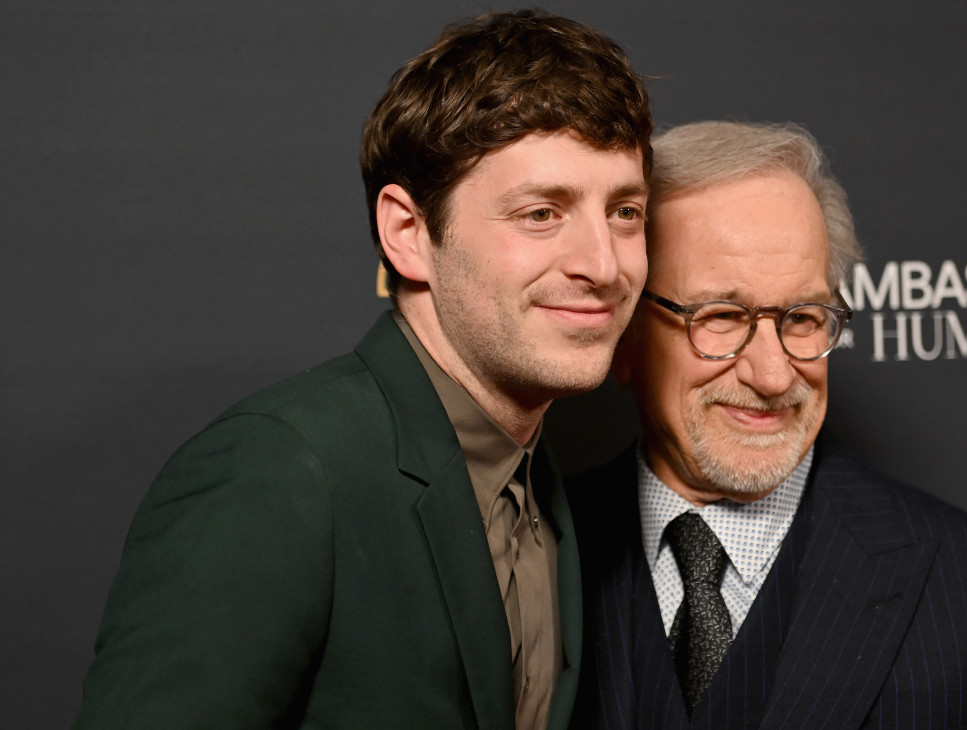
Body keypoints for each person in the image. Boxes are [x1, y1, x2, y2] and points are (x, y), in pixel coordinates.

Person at [74, 10, 652, 729]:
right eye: (541, 213)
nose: (602, 264)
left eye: (625, 211)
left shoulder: (541, 484)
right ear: (408, 235)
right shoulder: (280, 469)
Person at [570, 121, 967, 728]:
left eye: (803, 317)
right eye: (721, 316)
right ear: (624, 333)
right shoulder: (531, 548)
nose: (772, 374)